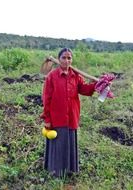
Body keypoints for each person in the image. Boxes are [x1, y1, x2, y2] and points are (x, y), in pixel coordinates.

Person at [40, 47, 97, 177]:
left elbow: (84, 90)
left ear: (72, 60)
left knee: (69, 144)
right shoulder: (52, 76)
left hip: (72, 116)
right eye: (64, 58)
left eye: (69, 58)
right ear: (58, 59)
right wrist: (47, 119)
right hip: (57, 117)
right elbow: (46, 98)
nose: (66, 60)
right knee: (58, 145)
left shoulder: (75, 75)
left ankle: (69, 171)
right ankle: (56, 172)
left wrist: (95, 85)